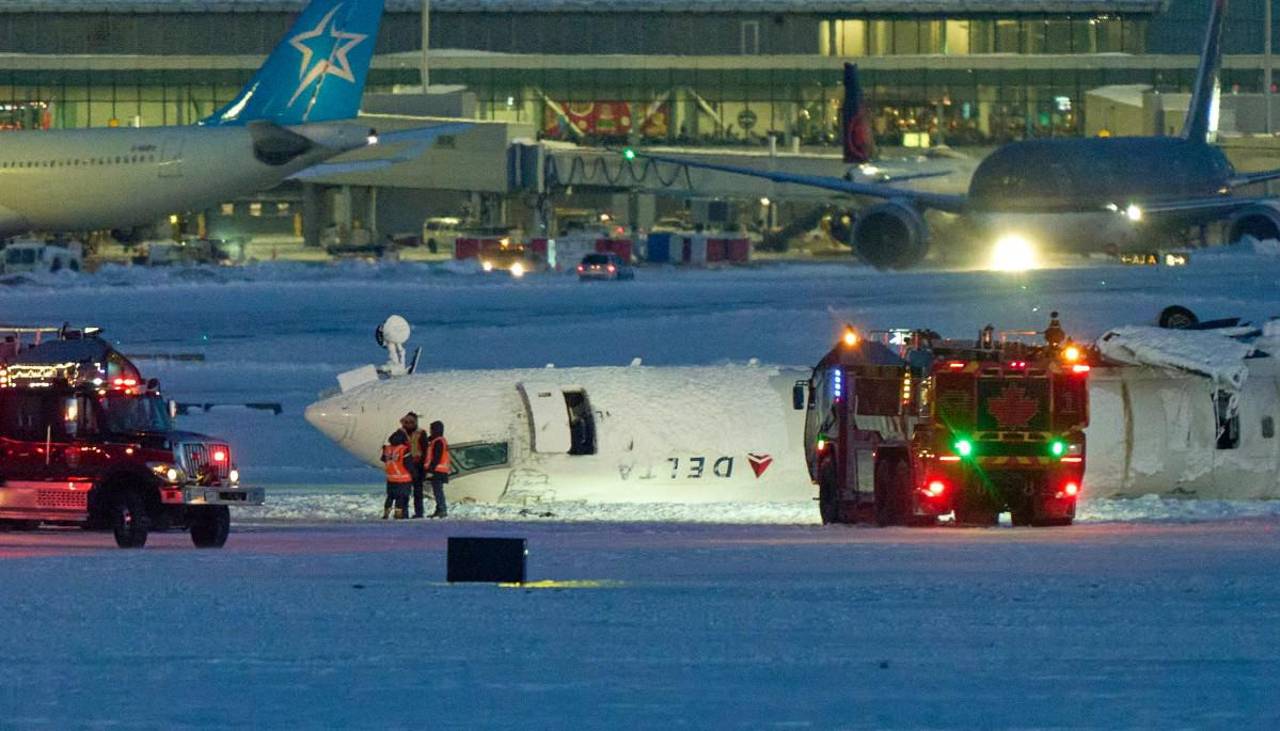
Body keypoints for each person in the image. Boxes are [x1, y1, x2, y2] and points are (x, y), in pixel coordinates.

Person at [395, 412, 430, 518]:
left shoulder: (421, 433)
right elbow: (392, 441)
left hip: (417, 465)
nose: (409, 424)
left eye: (411, 421)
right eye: (406, 422)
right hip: (404, 465)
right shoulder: (400, 432)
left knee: (417, 492)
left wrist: (424, 468)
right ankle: (403, 513)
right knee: (403, 492)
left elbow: (425, 450)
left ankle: (419, 513)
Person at [381, 431, 413, 520]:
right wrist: (414, 474)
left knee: (390, 497)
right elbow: (408, 464)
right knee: (401, 498)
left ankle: (386, 513)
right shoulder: (404, 449)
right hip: (403, 478)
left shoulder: (387, 449)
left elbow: (383, 459)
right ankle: (399, 514)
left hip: (391, 478)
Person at [424, 420, 451, 518]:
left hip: (437, 471)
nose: (430, 431)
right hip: (439, 470)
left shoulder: (438, 441)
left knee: (438, 491)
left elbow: (436, 457)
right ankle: (439, 509)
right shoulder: (437, 440)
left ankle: (442, 509)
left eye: (431, 429)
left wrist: (431, 470)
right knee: (437, 491)